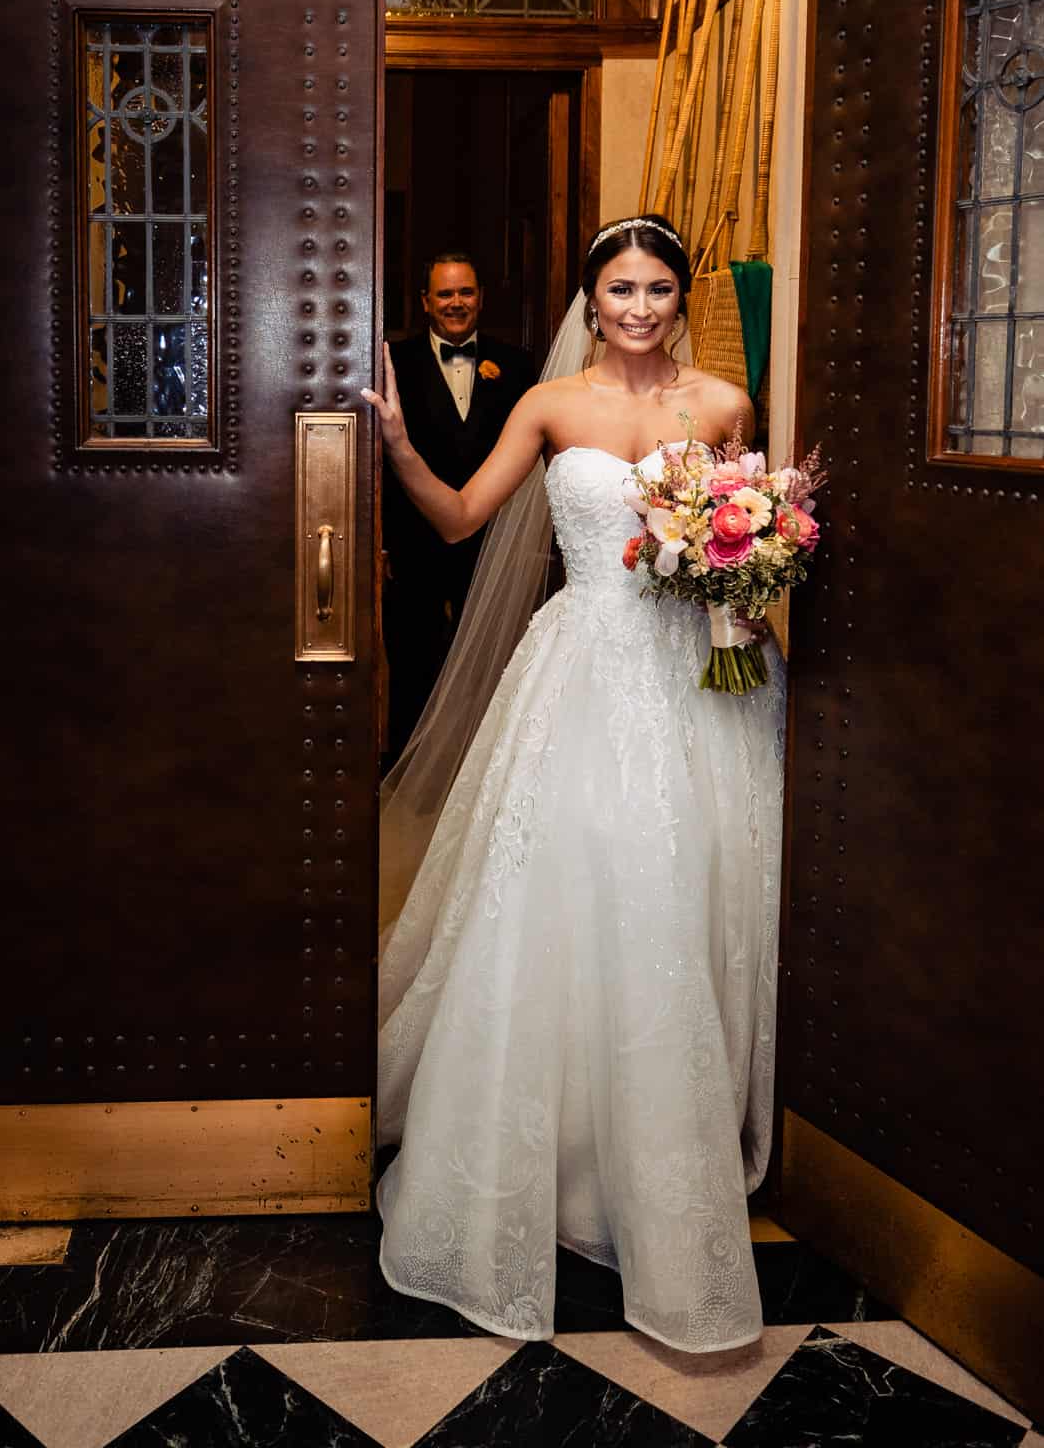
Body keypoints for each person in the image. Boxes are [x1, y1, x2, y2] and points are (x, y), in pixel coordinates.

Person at [361, 213, 785, 1353]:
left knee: (687, 900)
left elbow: (740, 541)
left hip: (704, 681)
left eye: (656, 288)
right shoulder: (548, 407)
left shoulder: (723, 409)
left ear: (677, 297)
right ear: (586, 304)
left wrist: (746, 580)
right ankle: (552, 1157)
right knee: (575, 899)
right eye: (618, 290)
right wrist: (400, 445)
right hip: (585, 670)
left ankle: (653, 1153)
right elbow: (458, 516)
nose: (637, 307)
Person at [382, 253, 534, 760]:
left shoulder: (517, 365)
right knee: (413, 662)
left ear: (481, 298)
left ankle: (480, 769)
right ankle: (406, 772)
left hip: (492, 542)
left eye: (465, 292)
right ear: (426, 302)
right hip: (413, 545)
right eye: (444, 294)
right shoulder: (392, 363)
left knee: (489, 663)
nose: (455, 303)